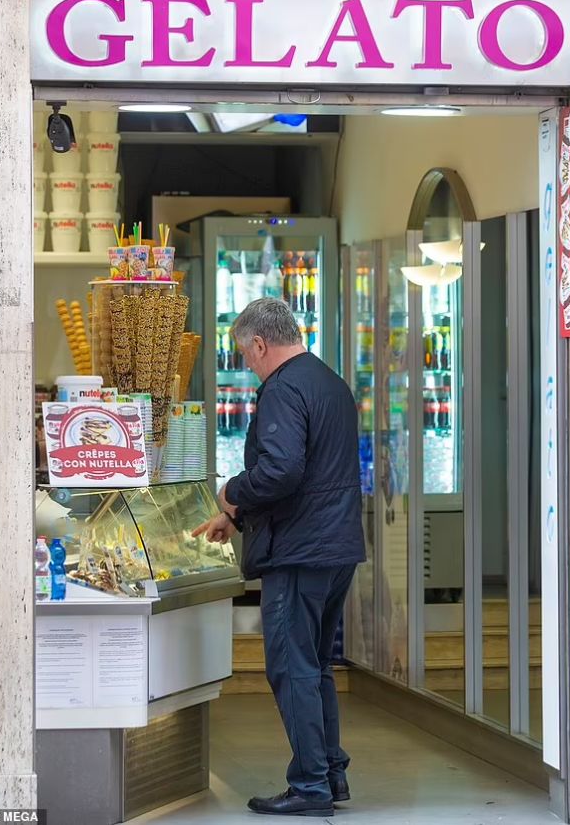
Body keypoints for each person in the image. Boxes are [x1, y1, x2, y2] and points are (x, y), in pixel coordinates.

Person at [194, 297, 365, 817]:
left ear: (261, 343)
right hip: (335, 548)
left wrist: (229, 494)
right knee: (314, 666)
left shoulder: (283, 388)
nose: (248, 366)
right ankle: (330, 775)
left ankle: (310, 786)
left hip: (298, 553)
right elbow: (310, 478)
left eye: (247, 356)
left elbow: (282, 471)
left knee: (292, 668)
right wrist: (240, 517)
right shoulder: (329, 382)